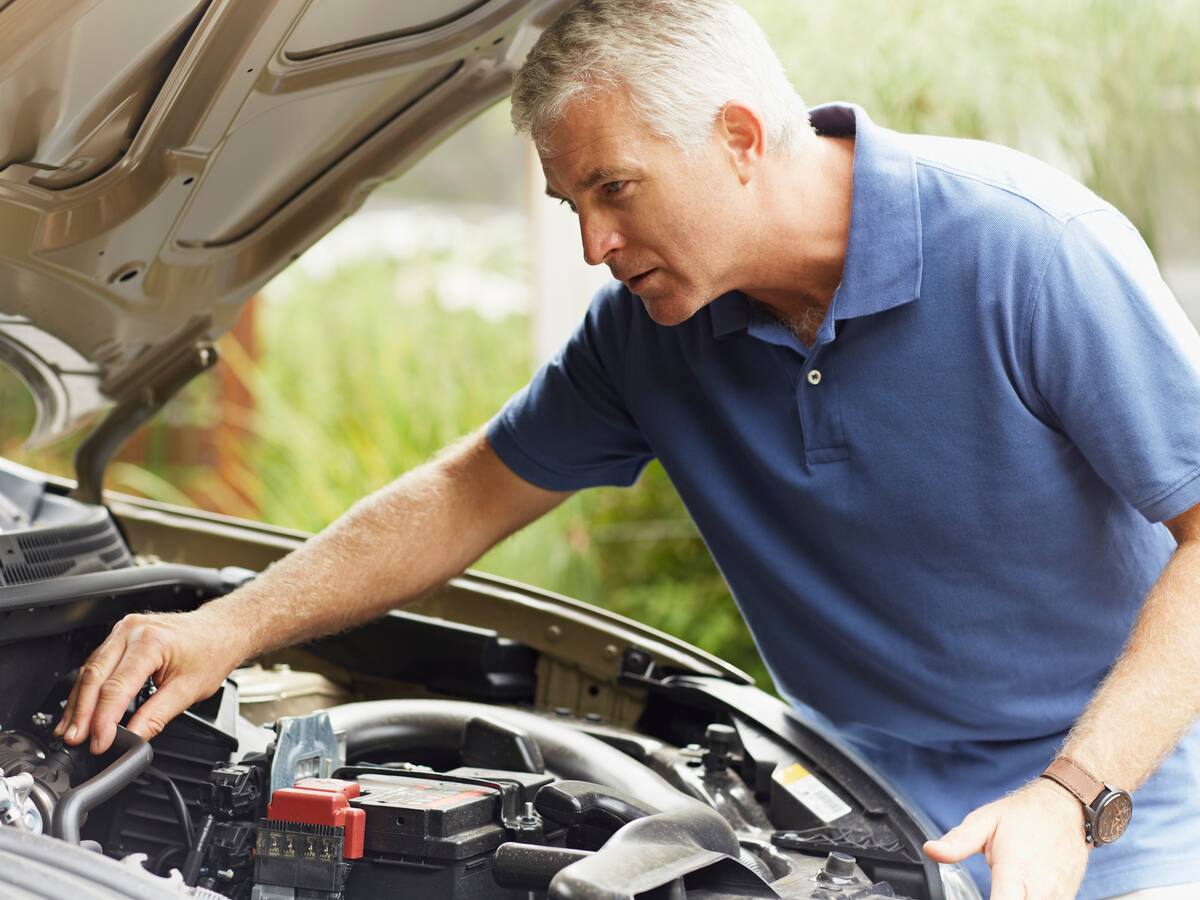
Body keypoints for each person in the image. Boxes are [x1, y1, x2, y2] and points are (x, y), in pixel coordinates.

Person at [56, 1, 1200, 897]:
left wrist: (1072, 796)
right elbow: (466, 493)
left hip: (1127, 802)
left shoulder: (1026, 254)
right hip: (855, 804)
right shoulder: (649, 333)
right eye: (572, 206)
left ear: (740, 138)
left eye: (616, 189)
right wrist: (225, 626)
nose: (597, 244)